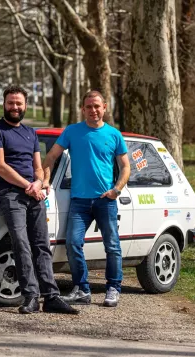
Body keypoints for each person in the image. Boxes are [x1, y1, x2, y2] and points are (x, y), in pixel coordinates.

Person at [0, 85, 78, 315]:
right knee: (21, 243)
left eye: (19, 103)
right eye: (10, 103)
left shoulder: (30, 133)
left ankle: (52, 297)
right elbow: (0, 167)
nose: (14, 107)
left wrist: (39, 182)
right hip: (8, 193)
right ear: (3, 104)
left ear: (25, 105)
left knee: (42, 245)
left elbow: (38, 167)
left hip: (32, 192)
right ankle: (31, 297)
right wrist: (28, 185)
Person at [43, 90, 130, 307]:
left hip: (105, 200)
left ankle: (113, 288)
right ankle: (82, 289)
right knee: (73, 243)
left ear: (104, 108)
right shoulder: (72, 132)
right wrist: (45, 179)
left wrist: (116, 190)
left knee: (112, 246)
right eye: (89, 106)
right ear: (83, 109)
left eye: (97, 106)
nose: (93, 110)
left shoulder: (114, 135)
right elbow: (51, 157)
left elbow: (126, 166)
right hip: (79, 201)